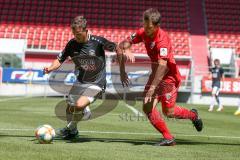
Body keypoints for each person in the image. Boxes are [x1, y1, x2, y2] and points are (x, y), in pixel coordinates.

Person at [119, 8, 203, 146]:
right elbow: (126, 42)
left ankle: (193, 115)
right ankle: (168, 137)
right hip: (155, 75)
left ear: (157, 26)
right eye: (144, 25)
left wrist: (152, 88)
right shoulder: (144, 31)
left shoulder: (162, 40)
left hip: (169, 77)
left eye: (149, 27)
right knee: (147, 107)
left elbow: (162, 66)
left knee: (168, 112)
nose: (146, 29)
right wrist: (127, 48)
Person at [43, 15, 130, 139]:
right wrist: (50, 68)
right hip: (80, 81)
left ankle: (74, 122)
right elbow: (60, 59)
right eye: (74, 34)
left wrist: (122, 72)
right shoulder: (72, 44)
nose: (76, 37)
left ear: (86, 30)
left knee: (79, 105)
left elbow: (118, 48)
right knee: (70, 108)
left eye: (78, 34)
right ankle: (72, 131)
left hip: (97, 82)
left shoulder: (98, 42)